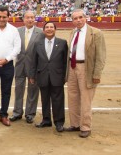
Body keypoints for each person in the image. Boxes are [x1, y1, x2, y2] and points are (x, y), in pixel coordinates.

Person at [65, 9, 106, 138]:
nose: (78, 20)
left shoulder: (96, 33)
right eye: (75, 18)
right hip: (72, 67)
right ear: (72, 21)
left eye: (80, 17)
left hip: (86, 68)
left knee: (86, 99)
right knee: (72, 97)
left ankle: (85, 126)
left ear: (86, 18)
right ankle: (75, 124)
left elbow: (101, 56)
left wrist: (97, 74)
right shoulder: (73, 32)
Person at [29, 22, 68, 132]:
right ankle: (46, 120)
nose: (49, 29)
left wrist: (65, 75)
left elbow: (65, 62)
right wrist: (32, 75)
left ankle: (59, 122)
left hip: (57, 76)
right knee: (44, 99)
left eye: (51, 27)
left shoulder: (62, 43)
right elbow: (34, 61)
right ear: (44, 30)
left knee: (58, 100)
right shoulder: (38, 43)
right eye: (47, 27)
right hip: (42, 75)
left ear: (55, 29)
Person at [10, 10, 43, 124]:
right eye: (28, 17)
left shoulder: (41, 32)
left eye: (32, 17)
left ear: (35, 19)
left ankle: (30, 114)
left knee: (33, 90)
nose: (30, 19)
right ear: (23, 19)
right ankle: (17, 112)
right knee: (18, 89)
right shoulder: (17, 31)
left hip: (34, 66)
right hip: (19, 64)